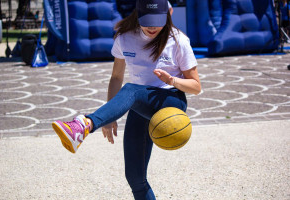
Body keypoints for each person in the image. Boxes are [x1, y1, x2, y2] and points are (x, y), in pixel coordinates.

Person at [52, 0, 201, 199]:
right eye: (147, 21)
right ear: (137, 14)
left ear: (168, 14)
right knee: (135, 177)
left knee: (132, 89)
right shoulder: (124, 38)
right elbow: (116, 77)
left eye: (157, 21)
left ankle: (84, 125)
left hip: (171, 102)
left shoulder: (178, 40)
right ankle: (90, 124)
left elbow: (196, 87)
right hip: (140, 104)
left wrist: (172, 80)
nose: (152, 27)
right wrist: (109, 117)